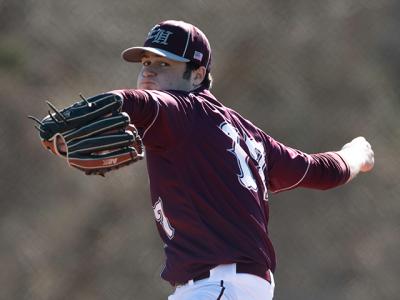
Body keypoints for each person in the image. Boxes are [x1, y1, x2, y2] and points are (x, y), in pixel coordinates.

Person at [110, 20, 374, 300]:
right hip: (226, 286)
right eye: (146, 62)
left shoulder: (180, 110)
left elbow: (131, 101)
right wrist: (354, 154)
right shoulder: (248, 135)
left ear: (197, 75)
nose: (148, 72)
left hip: (219, 285)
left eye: (164, 64)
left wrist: (61, 124)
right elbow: (317, 170)